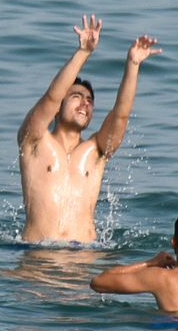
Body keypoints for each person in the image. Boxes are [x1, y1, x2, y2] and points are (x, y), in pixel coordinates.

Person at [18, 15, 161, 243]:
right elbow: (51, 97)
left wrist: (133, 65)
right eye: (76, 96)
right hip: (36, 259)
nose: (85, 102)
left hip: (83, 260)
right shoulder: (33, 141)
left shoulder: (95, 151)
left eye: (89, 100)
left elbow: (120, 115)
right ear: (57, 109)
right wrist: (84, 52)